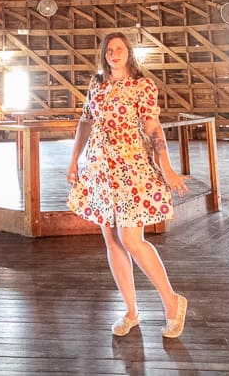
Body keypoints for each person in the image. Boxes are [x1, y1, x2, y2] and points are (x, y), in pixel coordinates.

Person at [67, 31, 191, 338]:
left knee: (132, 239)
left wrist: (168, 168)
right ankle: (131, 311)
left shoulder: (142, 85)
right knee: (111, 239)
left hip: (130, 167)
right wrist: (74, 161)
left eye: (119, 48)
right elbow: (85, 121)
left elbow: (153, 127)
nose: (114, 53)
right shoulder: (97, 84)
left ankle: (172, 303)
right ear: (104, 54)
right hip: (99, 169)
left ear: (128, 52)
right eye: (109, 49)